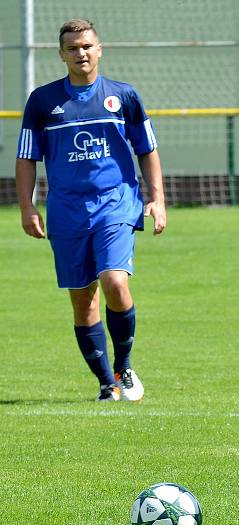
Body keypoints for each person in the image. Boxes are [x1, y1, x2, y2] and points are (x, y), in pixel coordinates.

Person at [15, 19, 166, 402]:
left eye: (86, 46)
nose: (80, 53)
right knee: (83, 300)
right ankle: (105, 383)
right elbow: (26, 157)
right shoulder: (42, 101)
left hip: (115, 202)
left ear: (99, 49)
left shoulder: (124, 96)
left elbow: (146, 150)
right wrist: (27, 206)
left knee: (115, 281)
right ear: (61, 54)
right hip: (66, 211)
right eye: (72, 48)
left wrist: (157, 199)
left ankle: (125, 365)